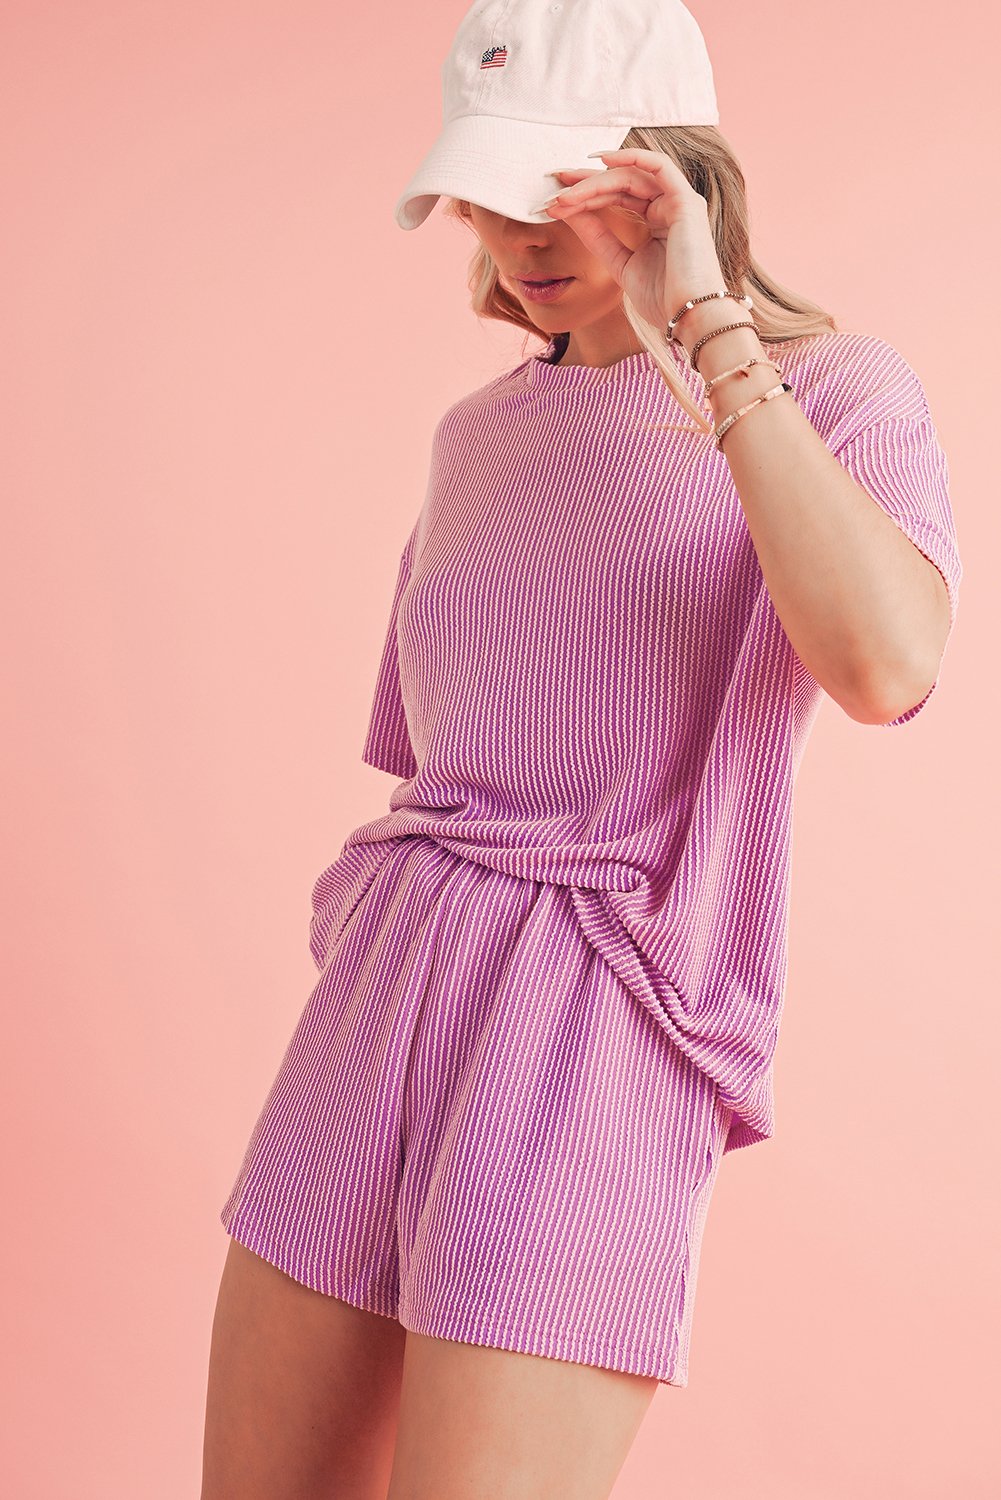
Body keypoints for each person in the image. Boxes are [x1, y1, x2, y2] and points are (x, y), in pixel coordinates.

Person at [200, 2, 963, 1497]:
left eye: (562, 189)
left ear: (672, 172)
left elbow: (885, 668)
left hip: (597, 1012)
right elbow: (437, 760)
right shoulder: (476, 434)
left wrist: (710, 330)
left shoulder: (834, 393)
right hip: (386, 988)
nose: (517, 233)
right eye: (485, 194)